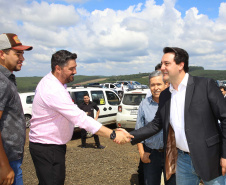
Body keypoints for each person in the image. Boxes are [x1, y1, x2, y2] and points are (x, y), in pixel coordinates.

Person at [29, 50, 133, 185]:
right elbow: (80, 119)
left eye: (75, 67)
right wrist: (113, 134)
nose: (75, 72)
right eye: (71, 68)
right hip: (48, 148)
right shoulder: (53, 89)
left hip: (49, 146)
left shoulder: (55, 83)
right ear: (58, 69)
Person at [130, 47, 226, 185]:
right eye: (161, 63)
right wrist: (130, 135)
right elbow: (156, 124)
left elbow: (224, 118)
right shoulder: (165, 95)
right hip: (183, 160)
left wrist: (225, 155)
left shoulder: (205, 85)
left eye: (166, 64)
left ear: (181, 65)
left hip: (210, 158)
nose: (162, 67)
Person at [0, 33, 32, 185]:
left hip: (10, 158)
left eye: (23, 54)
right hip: (6, 160)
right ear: (1, 54)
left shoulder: (7, 79)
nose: (22, 58)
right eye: (17, 53)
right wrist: (4, 166)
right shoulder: (2, 82)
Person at [136, 70, 175, 185]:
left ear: (166, 84)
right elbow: (139, 131)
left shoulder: (174, 102)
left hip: (172, 154)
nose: (156, 88)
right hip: (151, 154)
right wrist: (142, 153)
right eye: (152, 85)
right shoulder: (144, 105)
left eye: (159, 84)